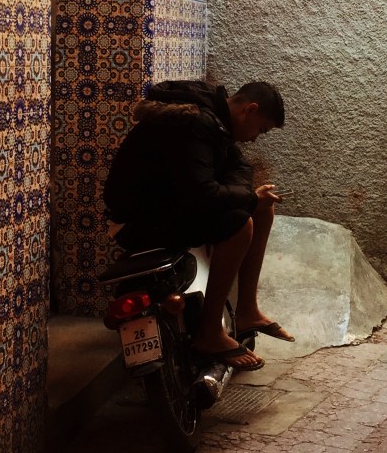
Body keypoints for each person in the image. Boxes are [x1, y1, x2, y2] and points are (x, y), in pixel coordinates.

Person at [103, 80, 293, 372]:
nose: (256, 138)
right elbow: (201, 194)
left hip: (165, 209)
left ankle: (246, 309)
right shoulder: (196, 123)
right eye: (261, 129)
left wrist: (250, 198)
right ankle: (209, 332)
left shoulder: (214, 122)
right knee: (242, 223)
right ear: (250, 110)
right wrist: (250, 198)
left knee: (262, 210)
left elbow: (240, 167)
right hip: (138, 221)